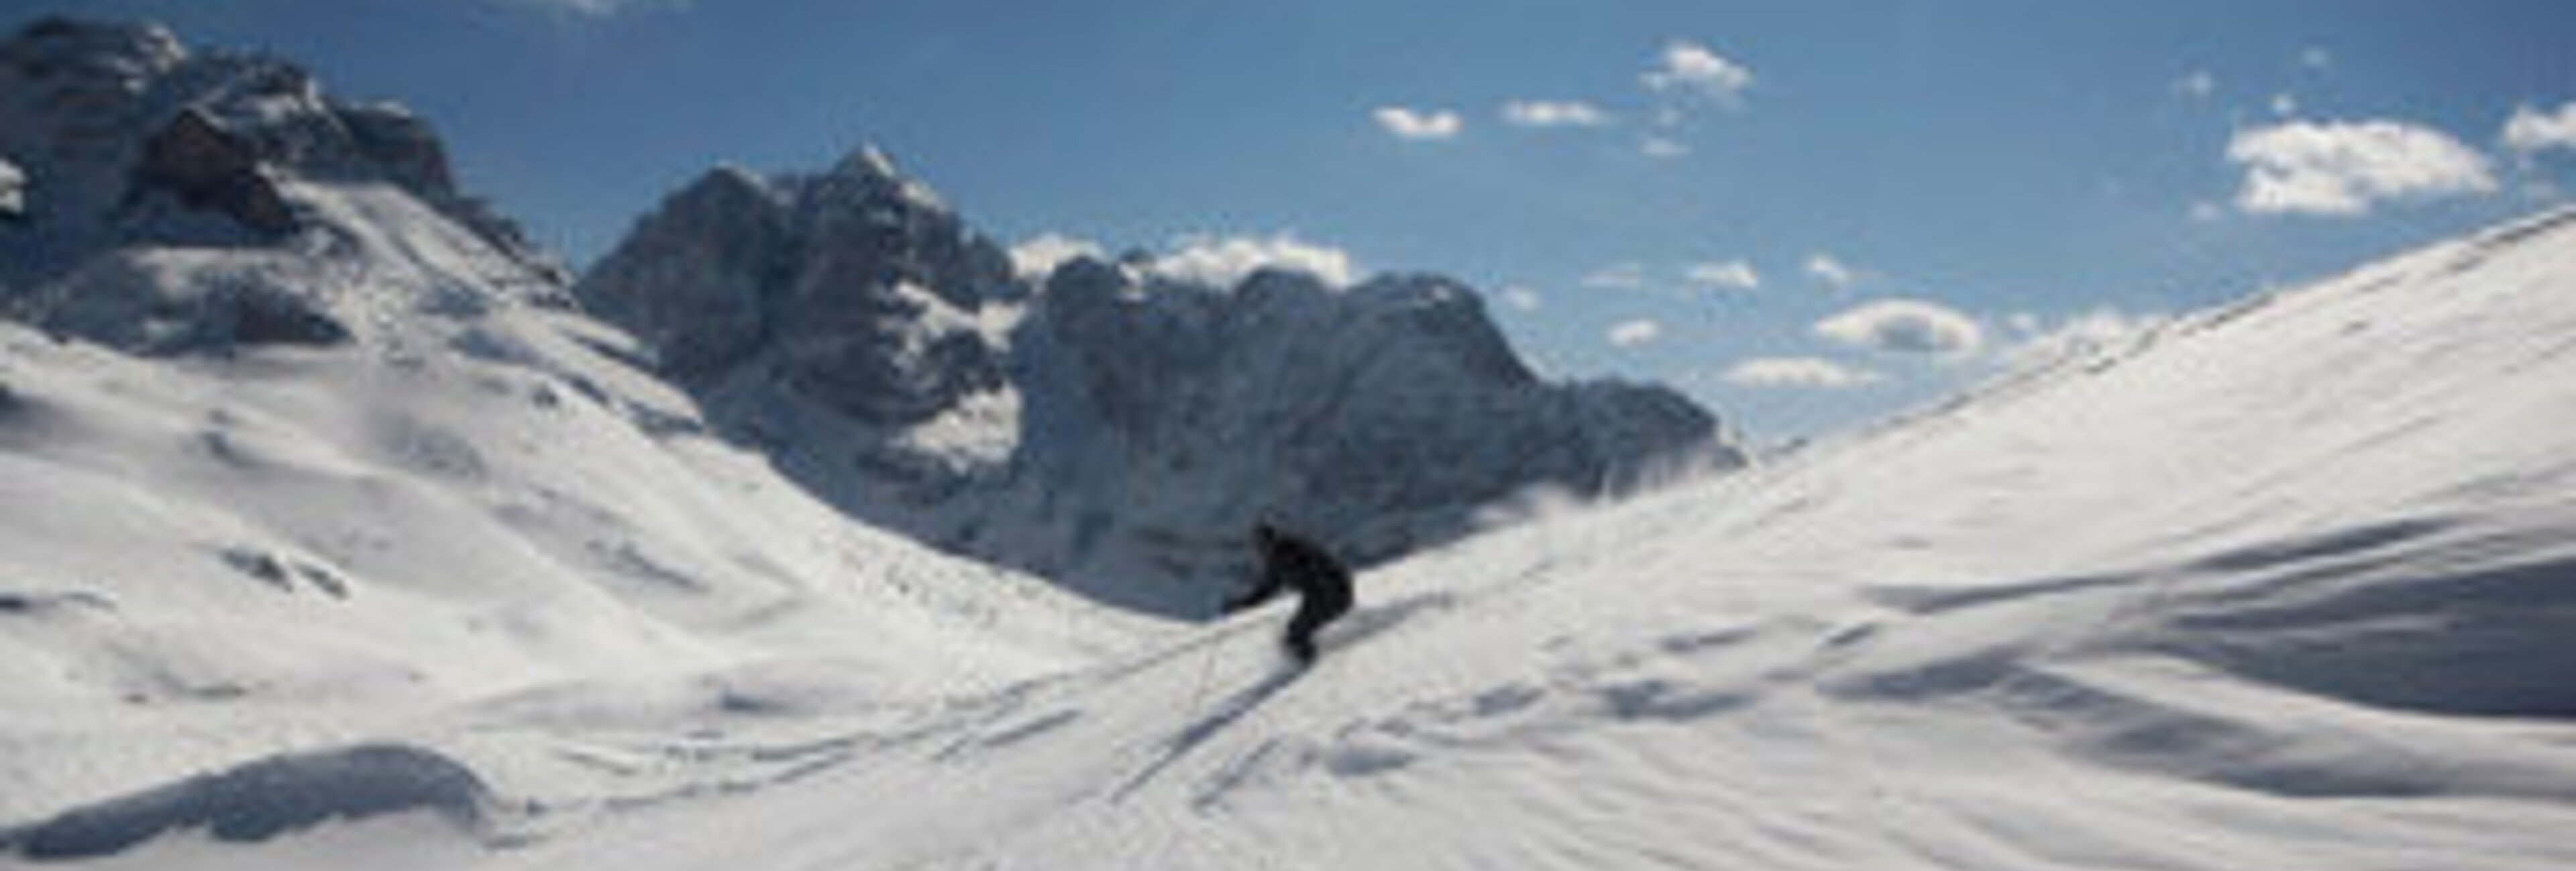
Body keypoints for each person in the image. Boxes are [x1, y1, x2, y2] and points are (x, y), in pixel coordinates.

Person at [1221, 522, 1353, 665]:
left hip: (1334, 593)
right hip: (1319, 595)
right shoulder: (1276, 563)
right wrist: (1240, 605)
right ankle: (1302, 660)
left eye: (1262, 545)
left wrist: (1327, 590)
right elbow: (1265, 591)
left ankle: (1310, 668)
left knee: (1297, 633)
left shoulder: (1295, 551)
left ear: (1273, 541)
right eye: (1258, 547)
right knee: (1293, 633)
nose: (1260, 551)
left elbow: (1324, 567)